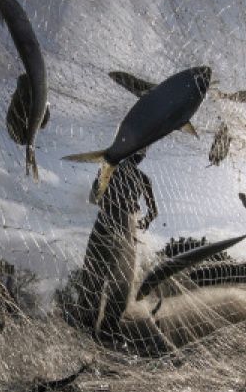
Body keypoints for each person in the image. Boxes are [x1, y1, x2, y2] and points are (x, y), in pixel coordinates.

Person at [70, 152, 171, 354]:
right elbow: (153, 212)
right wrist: (141, 218)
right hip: (123, 226)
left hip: (110, 223)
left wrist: (113, 197)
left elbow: (94, 197)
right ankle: (104, 333)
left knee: (100, 280)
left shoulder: (111, 169)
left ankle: (91, 332)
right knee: (116, 282)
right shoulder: (138, 177)